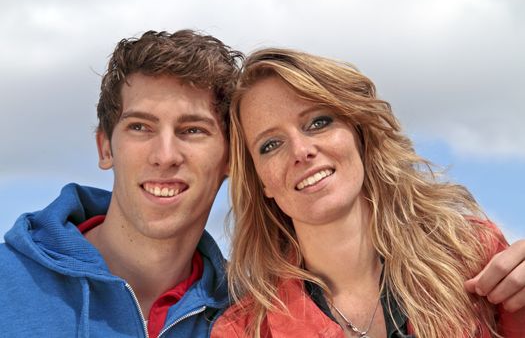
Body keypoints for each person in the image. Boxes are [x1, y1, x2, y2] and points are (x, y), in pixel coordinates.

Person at [212, 48, 525, 337]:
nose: (301, 151)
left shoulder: (472, 254)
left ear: (357, 134)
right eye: (271, 145)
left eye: (318, 122)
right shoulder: (243, 330)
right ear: (261, 181)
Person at [0, 30, 242, 337]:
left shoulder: (255, 316)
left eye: (192, 130)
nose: (164, 156)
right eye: (140, 127)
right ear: (105, 148)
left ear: (232, 158)